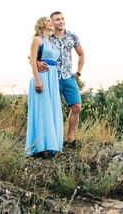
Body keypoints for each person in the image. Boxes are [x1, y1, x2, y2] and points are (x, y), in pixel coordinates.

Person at [37, 11, 84, 148]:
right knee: (51, 109)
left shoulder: (72, 36)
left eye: (62, 19)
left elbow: (81, 54)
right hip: (51, 77)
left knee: (76, 106)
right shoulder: (46, 37)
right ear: (52, 22)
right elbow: (32, 56)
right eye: (57, 19)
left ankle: (70, 138)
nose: (61, 21)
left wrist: (78, 73)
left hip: (68, 77)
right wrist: (38, 63)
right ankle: (50, 140)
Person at [25, 16, 64, 157]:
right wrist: (38, 80)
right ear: (42, 24)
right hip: (42, 78)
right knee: (42, 112)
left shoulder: (52, 41)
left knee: (51, 110)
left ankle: (51, 145)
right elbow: (33, 59)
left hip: (53, 79)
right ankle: (40, 147)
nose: (51, 23)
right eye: (48, 21)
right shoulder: (37, 40)